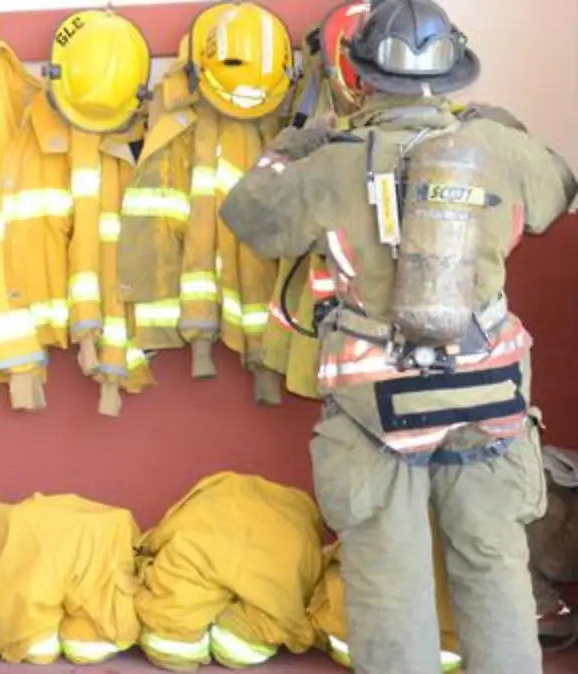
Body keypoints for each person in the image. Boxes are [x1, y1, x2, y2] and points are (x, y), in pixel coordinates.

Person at [218, 1, 578, 673]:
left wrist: (290, 146)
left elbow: (248, 216)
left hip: (375, 413)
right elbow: (561, 186)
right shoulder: (500, 150)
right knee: (495, 573)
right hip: (489, 402)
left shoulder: (331, 162)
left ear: (358, 75)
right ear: (452, 76)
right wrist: (500, 129)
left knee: (389, 588)